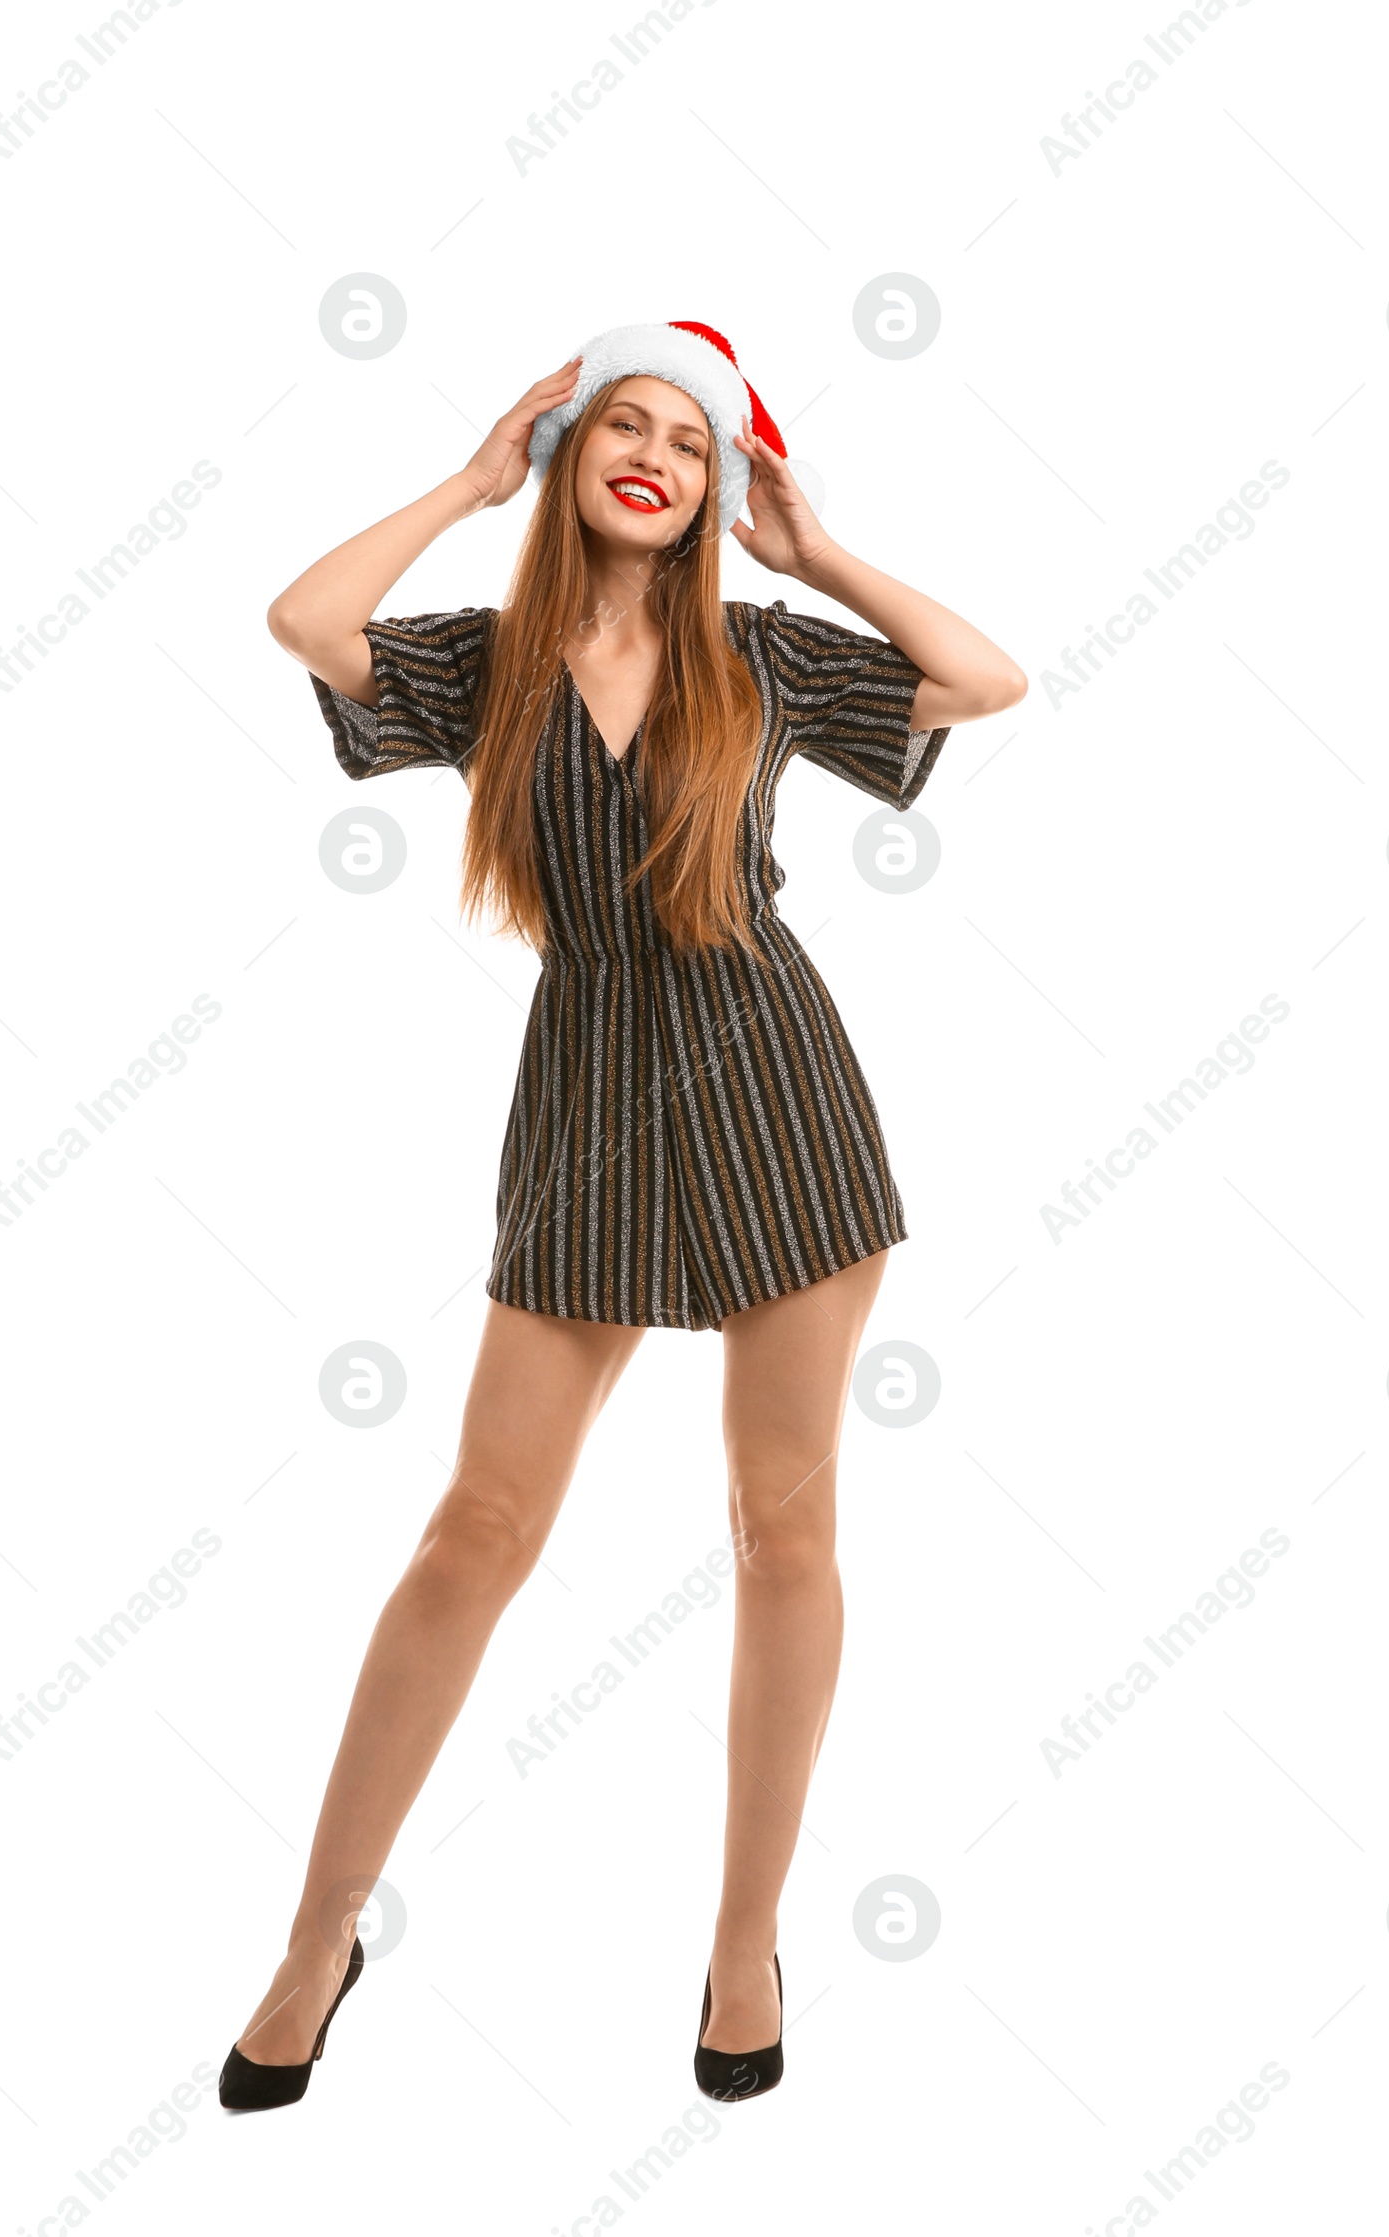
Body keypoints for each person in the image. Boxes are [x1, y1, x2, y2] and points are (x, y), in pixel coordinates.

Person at [218, 320, 1026, 2111]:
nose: (655, 450)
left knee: (780, 1532)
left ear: (718, 482)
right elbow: (308, 623)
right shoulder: (484, 661)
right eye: (621, 423)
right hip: (585, 1095)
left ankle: (746, 1943)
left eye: (691, 434)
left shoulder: (762, 651)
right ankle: (317, 1934)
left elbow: (986, 682)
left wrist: (815, 552)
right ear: (573, 450)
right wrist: (466, 475)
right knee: (475, 1529)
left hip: (776, 1090)